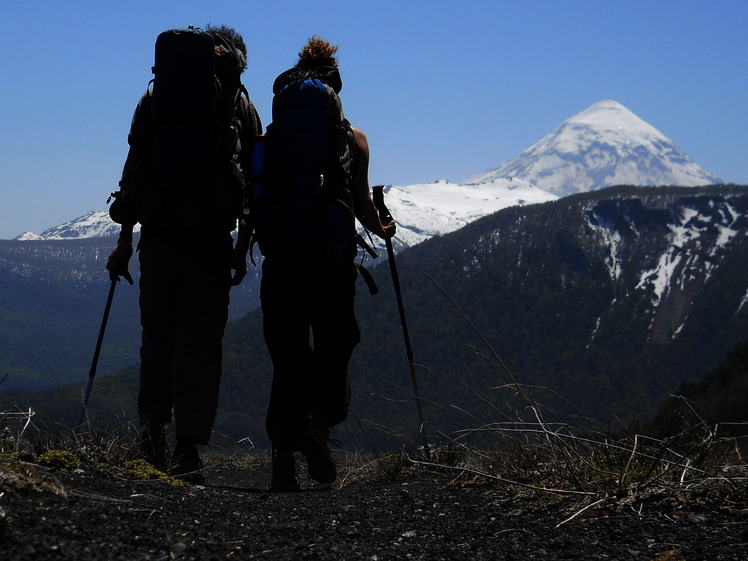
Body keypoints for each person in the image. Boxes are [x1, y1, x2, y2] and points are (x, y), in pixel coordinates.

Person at [106, 25, 262, 484]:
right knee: (200, 343)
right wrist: (241, 248)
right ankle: (188, 450)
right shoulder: (238, 104)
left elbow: (135, 167)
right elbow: (253, 179)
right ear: (234, 62)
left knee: (157, 335)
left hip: (158, 237)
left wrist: (124, 240)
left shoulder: (157, 97)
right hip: (211, 239)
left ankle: (151, 438)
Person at [258, 36, 396, 491]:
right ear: (336, 87)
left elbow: (255, 198)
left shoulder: (272, 139)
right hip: (331, 261)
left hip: (281, 257)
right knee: (336, 343)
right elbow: (361, 207)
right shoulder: (353, 140)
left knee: (288, 354)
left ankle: (282, 458)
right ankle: (319, 427)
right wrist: (383, 227)